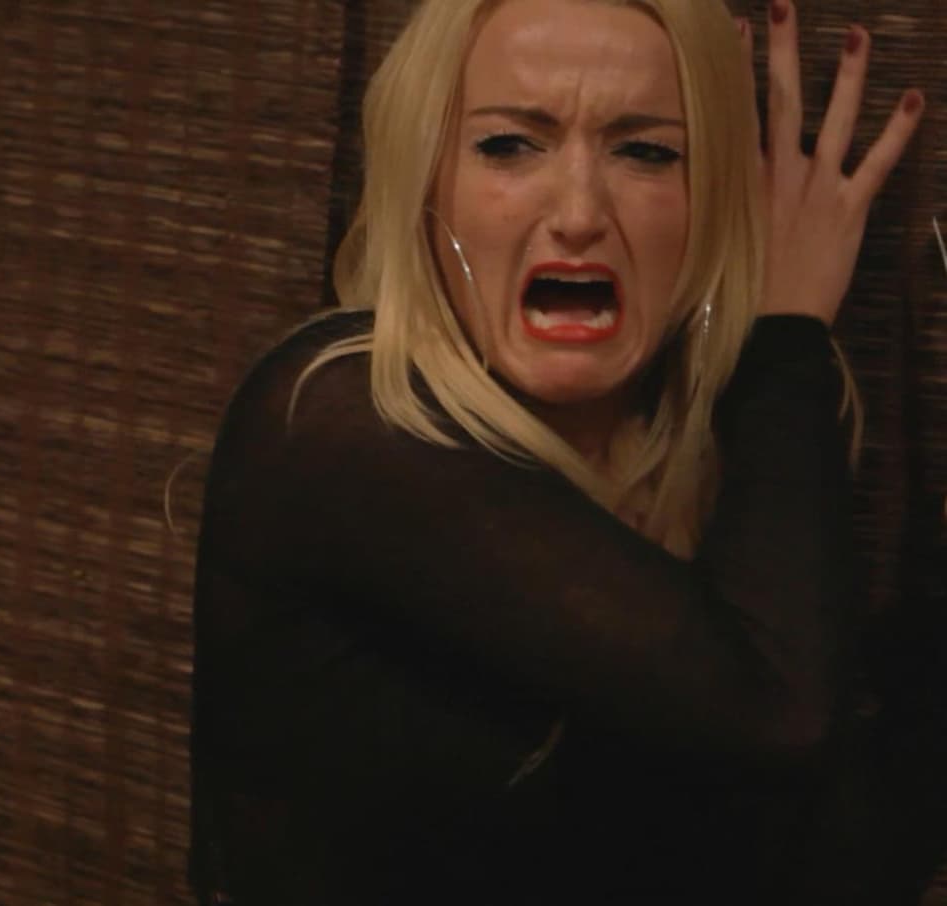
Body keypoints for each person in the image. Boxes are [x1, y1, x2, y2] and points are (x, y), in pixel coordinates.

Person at [187, 0, 931, 902]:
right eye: (508, 145)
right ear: (428, 186)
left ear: (713, 202)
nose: (578, 213)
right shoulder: (336, 416)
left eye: (646, 151)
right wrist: (785, 334)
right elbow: (779, 711)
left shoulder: (713, 473)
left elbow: (834, 852)